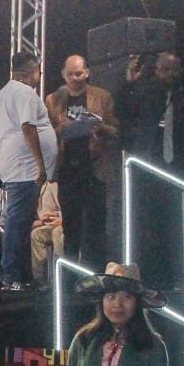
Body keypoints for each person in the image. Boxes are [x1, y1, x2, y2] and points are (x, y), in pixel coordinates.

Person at [116, 51, 184, 287]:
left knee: (182, 228)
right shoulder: (146, 95)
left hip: (183, 173)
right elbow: (121, 110)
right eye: (165, 69)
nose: (170, 74)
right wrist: (130, 83)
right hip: (150, 173)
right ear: (156, 71)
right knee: (150, 228)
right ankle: (155, 281)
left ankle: (183, 280)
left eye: (174, 70)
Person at [0, 52, 57, 290]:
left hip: (15, 166)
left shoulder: (3, 94)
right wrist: (40, 164)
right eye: (38, 72)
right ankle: (13, 275)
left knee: (22, 222)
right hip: (26, 169)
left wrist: (4, 147)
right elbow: (28, 127)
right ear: (32, 72)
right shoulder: (26, 93)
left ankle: (21, 275)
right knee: (18, 222)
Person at [44, 55, 119, 268]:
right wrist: (64, 128)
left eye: (78, 74)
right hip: (67, 170)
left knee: (96, 227)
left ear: (87, 72)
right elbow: (45, 135)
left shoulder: (102, 97)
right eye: (70, 74)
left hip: (94, 168)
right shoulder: (53, 100)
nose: (75, 78)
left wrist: (99, 126)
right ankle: (70, 277)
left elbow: (116, 131)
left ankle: (95, 274)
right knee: (70, 228)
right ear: (63, 75)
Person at [30, 181, 63, 287]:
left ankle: (60, 278)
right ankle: (40, 279)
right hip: (51, 224)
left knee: (57, 233)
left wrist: (59, 216)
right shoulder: (42, 185)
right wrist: (44, 216)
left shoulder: (59, 183)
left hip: (66, 223)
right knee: (36, 234)